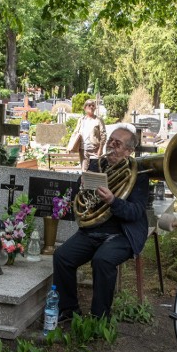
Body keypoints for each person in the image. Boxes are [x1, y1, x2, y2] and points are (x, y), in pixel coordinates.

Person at [53, 125, 148, 319]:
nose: (111, 145)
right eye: (110, 140)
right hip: (93, 229)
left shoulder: (140, 174)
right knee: (62, 256)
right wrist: (83, 185)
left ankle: (99, 317)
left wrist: (113, 201)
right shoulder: (98, 165)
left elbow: (136, 212)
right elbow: (83, 198)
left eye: (118, 143)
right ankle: (68, 309)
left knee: (102, 260)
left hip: (122, 234)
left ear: (129, 151)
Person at [74, 99, 106, 171]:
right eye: (89, 105)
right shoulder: (81, 120)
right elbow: (76, 133)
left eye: (93, 105)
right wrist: (71, 146)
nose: (91, 107)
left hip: (94, 149)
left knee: (95, 170)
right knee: (84, 171)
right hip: (83, 150)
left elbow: (103, 135)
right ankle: (84, 182)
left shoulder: (98, 120)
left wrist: (100, 149)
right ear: (85, 108)